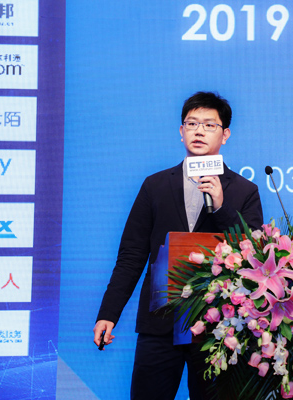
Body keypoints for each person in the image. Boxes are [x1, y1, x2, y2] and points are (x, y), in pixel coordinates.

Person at [93, 91, 264, 400]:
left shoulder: (243, 190)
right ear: (181, 131)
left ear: (225, 135)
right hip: (160, 322)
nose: (199, 131)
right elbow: (132, 255)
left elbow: (252, 256)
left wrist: (222, 207)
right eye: (192, 123)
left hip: (219, 327)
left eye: (209, 125)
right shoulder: (156, 185)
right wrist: (108, 313)